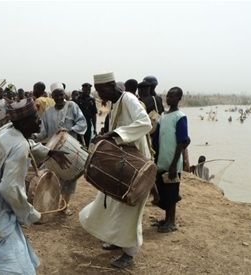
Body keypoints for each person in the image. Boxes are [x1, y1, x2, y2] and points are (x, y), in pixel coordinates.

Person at [0, 98, 70, 274]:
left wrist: (49, 152)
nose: (39, 122)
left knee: (0, 244)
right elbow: (9, 189)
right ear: (23, 122)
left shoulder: (8, 130)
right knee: (9, 248)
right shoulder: (19, 146)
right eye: (35, 119)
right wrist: (30, 214)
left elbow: (28, 144)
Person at [79, 72, 152, 269]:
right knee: (112, 202)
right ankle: (115, 239)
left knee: (130, 209)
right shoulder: (115, 102)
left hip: (136, 163)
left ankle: (129, 254)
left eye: (102, 90)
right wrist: (105, 136)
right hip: (123, 160)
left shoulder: (128, 98)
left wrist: (114, 134)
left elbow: (145, 122)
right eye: (98, 90)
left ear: (112, 85)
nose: (100, 94)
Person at [34, 83, 87, 215]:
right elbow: (43, 132)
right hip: (53, 150)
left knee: (68, 179)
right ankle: (52, 205)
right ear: (52, 96)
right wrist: (33, 136)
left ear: (64, 95)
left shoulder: (72, 106)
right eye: (56, 95)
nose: (59, 97)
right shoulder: (48, 112)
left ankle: (65, 205)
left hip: (70, 148)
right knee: (52, 177)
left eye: (61, 94)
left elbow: (82, 122)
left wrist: (70, 130)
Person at [152, 87, 190, 233]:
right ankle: (166, 219)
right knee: (164, 191)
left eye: (172, 97)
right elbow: (156, 138)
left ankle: (171, 222)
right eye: (168, 96)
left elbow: (182, 142)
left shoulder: (180, 117)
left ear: (179, 98)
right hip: (161, 160)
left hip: (172, 162)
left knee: (172, 193)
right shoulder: (163, 116)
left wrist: (174, 164)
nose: (169, 99)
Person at [76, 83, 98, 147]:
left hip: (88, 123)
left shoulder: (92, 100)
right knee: (79, 141)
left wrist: (95, 128)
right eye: (86, 90)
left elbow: (94, 114)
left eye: (89, 90)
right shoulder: (78, 99)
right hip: (79, 123)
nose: (87, 91)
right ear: (83, 89)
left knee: (87, 140)